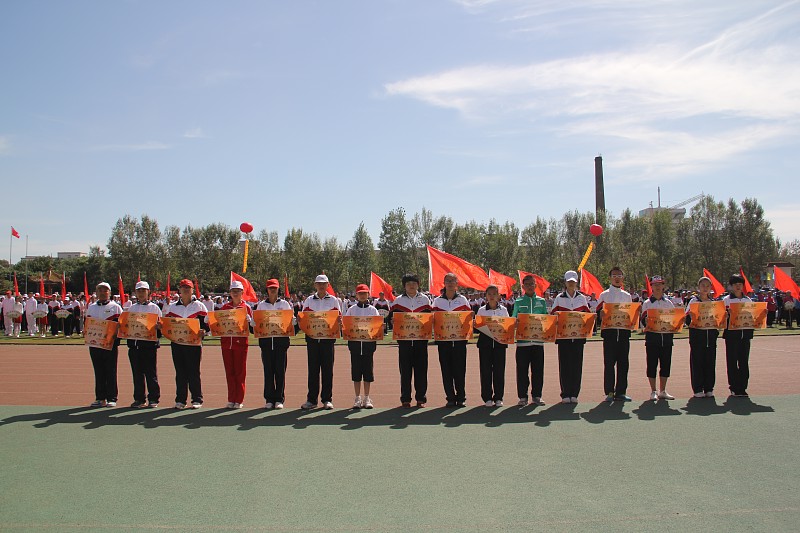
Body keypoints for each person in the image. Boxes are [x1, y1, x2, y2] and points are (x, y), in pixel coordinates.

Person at [164, 279, 208, 409]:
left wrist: (204, 331)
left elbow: (207, 324)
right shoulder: (173, 307)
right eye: (183, 287)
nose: (185, 290)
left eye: (188, 288)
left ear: (192, 290)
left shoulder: (199, 306)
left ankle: (197, 399)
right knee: (180, 372)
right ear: (179, 290)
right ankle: (181, 400)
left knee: (194, 372)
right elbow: (167, 325)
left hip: (194, 345)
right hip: (177, 344)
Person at [390, 273, 432, 408]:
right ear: (404, 286)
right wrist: (392, 321)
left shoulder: (425, 299)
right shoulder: (398, 301)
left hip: (421, 341)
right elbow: (391, 319)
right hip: (404, 342)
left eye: (414, 283)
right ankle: (405, 399)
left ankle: (421, 398)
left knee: (421, 370)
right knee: (405, 371)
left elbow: (430, 318)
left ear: (418, 285)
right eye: (408, 284)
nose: (411, 286)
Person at [301, 274, 341, 410]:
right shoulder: (309, 300)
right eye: (319, 283)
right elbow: (304, 318)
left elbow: (339, 318)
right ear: (315, 285)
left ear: (328, 285)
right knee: (313, 370)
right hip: (312, 339)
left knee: (327, 370)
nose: (321, 286)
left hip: (328, 340)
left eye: (324, 283)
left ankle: (327, 399)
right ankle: (311, 400)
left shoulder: (334, 300)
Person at [551, 271, 591, 404]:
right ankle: (565, 393)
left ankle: (574, 393)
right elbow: (553, 316)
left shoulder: (582, 298)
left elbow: (587, 315)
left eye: (573, 282)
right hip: (564, 338)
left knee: (577, 366)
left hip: (578, 338)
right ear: (565, 282)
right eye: (569, 282)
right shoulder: (559, 298)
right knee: (565, 366)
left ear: (576, 282)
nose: (571, 284)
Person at [432, 272, 472, 407]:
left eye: (452, 281)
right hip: (443, 341)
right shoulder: (437, 301)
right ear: (444, 283)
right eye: (447, 281)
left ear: (457, 284)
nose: (450, 283)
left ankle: (461, 397)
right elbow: (433, 319)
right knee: (446, 370)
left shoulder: (463, 300)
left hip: (460, 341)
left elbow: (468, 319)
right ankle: (450, 397)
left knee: (460, 369)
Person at [596, 267, 634, 402]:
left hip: (623, 333)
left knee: (623, 363)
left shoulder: (627, 296)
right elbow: (598, 313)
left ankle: (621, 392)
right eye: (614, 276)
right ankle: (609, 392)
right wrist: (600, 315)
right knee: (609, 363)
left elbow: (631, 314)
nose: (617, 278)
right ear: (610, 278)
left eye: (619, 275)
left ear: (623, 277)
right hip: (609, 334)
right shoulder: (604, 295)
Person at [512, 274, 549, 406]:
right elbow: (513, 319)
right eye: (527, 284)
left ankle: (537, 396)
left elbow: (546, 318)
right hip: (522, 343)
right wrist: (516, 322)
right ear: (523, 286)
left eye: (531, 284)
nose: (529, 286)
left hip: (538, 342)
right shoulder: (518, 302)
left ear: (535, 285)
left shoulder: (542, 301)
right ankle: (523, 397)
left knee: (538, 370)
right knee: (522, 371)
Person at [256, 278, 292, 409]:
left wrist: (292, 322)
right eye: (270, 288)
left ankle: (279, 399)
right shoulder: (261, 305)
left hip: (281, 342)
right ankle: (269, 399)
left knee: (280, 371)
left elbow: (289, 322)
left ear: (278, 289)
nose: (272, 290)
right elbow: (258, 324)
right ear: (267, 289)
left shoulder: (285, 304)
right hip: (266, 343)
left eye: (274, 288)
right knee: (268, 371)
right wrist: (254, 323)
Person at [85, 282, 123, 407]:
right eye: (100, 290)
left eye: (105, 290)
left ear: (109, 293)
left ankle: (112, 398)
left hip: (110, 345)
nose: (102, 293)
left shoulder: (116, 307)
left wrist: (114, 339)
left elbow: (120, 326)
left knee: (111, 371)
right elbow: (88, 324)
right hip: (95, 344)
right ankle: (100, 398)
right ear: (96, 292)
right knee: (98, 371)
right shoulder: (92, 307)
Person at [125, 281, 162, 408]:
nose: (141, 293)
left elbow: (160, 327)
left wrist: (158, 327)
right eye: (139, 290)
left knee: (151, 373)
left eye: (143, 290)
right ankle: (139, 399)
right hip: (134, 346)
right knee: (137, 374)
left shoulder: (154, 308)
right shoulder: (131, 308)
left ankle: (154, 398)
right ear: (135, 292)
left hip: (149, 346)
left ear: (148, 292)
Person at [218, 280, 253, 409]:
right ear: (230, 293)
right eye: (233, 291)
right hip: (226, 343)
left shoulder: (246, 308)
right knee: (229, 372)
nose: (235, 293)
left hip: (240, 344)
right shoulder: (225, 308)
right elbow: (219, 324)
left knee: (240, 372)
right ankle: (231, 398)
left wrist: (250, 322)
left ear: (242, 292)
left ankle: (239, 399)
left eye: (238, 291)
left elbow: (253, 328)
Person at [641, 275, 676, 401]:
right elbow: (642, 321)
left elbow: (674, 320)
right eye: (655, 284)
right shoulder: (647, 303)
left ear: (663, 286)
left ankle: (663, 390)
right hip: (652, 338)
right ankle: (653, 391)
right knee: (652, 365)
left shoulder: (669, 303)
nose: (657, 287)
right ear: (651, 286)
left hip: (666, 338)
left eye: (659, 284)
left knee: (666, 365)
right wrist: (646, 322)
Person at [345, 284, 379, 409]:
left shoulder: (373, 310)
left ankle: (367, 397)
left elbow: (377, 327)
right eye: (360, 293)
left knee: (368, 372)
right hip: (355, 346)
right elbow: (346, 325)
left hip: (368, 346)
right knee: (356, 373)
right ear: (357, 295)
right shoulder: (352, 309)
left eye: (365, 293)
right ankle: (357, 398)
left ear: (368, 294)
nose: (363, 295)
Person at [476, 284, 509, 407]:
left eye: (494, 294)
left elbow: (507, 326)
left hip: (500, 345)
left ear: (498, 296)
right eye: (489, 294)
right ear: (485, 296)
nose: (491, 296)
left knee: (499, 371)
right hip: (485, 345)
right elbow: (478, 327)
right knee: (485, 371)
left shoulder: (503, 310)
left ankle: (499, 397)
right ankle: (487, 398)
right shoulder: (481, 310)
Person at [686, 277, 718, 398]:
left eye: (708, 286)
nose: (705, 288)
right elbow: (687, 318)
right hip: (697, 337)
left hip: (711, 337)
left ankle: (709, 388)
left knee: (710, 362)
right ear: (698, 287)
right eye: (703, 285)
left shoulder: (714, 302)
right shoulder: (693, 301)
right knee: (697, 362)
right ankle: (698, 388)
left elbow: (718, 318)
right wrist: (691, 317)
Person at [723, 274, 754, 397]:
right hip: (731, 335)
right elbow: (721, 317)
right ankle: (734, 387)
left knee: (744, 361)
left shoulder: (748, 300)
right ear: (731, 286)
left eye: (740, 284)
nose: (738, 286)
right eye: (735, 284)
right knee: (732, 361)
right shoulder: (726, 300)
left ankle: (743, 387)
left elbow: (753, 316)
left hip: (745, 335)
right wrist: (727, 314)